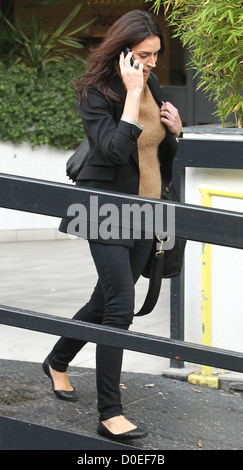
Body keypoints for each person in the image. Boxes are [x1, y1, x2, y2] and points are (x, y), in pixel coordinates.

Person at [42, 9, 182, 441]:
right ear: (123, 52)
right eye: (145, 54)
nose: (154, 63)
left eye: (157, 54)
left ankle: (57, 360)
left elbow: (156, 159)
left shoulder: (153, 82)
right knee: (120, 307)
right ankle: (110, 414)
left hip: (147, 208)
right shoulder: (94, 92)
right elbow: (115, 152)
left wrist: (175, 134)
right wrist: (132, 94)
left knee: (105, 299)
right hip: (103, 207)